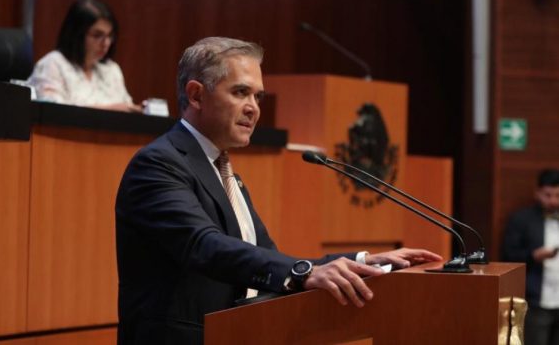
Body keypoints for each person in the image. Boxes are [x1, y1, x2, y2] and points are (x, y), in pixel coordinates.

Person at [115, 37, 442, 344]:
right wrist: (306, 272)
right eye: (240, 92)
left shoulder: (224, 172)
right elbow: (204, 246)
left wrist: (363, 262)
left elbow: (271, 261)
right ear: (197, 95)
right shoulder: (159, 164)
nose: (253, 107)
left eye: (258, 96)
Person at [27, 0, 141, 112]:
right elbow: (52, 112)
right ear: (76, 34)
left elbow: (128, 110)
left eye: (109, 36)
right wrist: (111, 110)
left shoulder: (111, 69)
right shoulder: (52, 64)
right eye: (97, 35)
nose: (106, 43)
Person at [503, 168, 559, 345]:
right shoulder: (521, 219)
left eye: (558, 195)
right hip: (536, 302)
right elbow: (508, 256)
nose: (553, 201)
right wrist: (533, 255)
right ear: (537, 193)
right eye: (547, 195)